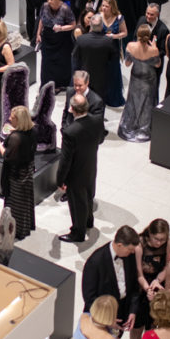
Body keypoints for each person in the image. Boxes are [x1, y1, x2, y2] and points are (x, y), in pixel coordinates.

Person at [57, 95, 101, 244]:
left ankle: (78, 232)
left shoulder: (70, 132)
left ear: (72, 110)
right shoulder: (96, 120)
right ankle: (89, 221)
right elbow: (100, 138)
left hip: (76, 173)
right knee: (88, 195)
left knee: (76, 203)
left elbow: (65, 160)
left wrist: (60, 179)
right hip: (90, 165)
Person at [129, 218, 170, 339]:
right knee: (137, 326)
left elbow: (167, 266)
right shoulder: (140, 245)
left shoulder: (169, 244)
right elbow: (138, 273)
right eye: (156, 239)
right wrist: (147, 288)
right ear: (149, 234)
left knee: (152, 325)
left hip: (157, 282)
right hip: (142, 284)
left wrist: (158, 281)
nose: (159, 242)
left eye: (162, 239)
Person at [0, 104, 36, 240]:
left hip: (16, 174)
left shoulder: (15, 138)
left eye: (12, 118)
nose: (10, 119)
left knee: (14, 203)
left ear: (19, 120)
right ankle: (25, 226)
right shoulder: (33, 130)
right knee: (25, 201)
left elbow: (7, 156)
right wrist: (14, 131)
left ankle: (14, 230)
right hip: (27, 171)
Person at [81, 225, 140, 322]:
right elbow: (89, 297)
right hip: (100, 316)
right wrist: (107, 320)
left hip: (122, 313)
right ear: (120, 245)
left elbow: (134, 285)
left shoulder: (129, 256)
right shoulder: (95, 262)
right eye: (130, 249)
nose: (133, 252)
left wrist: (132, 311)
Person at [117, 25, 160, 142]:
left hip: (136, 76)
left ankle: (131, 125)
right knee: (146, 102)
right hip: (149, 78)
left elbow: (127, 64)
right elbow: (157, 65)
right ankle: (144, 127)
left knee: (133, 100)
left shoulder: (130, 46)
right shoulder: (153, 50)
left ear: (138, 35)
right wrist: (154, 47)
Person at [71, 13, 116, 108]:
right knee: (99, 101)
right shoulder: (108, 41)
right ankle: (98, 120)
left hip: (84, 76)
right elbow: (113, 59)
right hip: (102, 77)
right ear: (102, 26)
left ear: (91, 25)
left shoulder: (81, 39)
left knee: (83, 101)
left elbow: (75, 57)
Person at [36, 0, 76, 89]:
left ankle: (60, 85)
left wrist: (61, 28)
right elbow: (41, 19)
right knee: (46, 63)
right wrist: (38, 34)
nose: (49, 1)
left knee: (61, 63)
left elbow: (73, 24)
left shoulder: (65, 9)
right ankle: (46, 85)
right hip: (48, 38)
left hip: (62, 40)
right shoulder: (44, 6)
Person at [99, 0, 127, 107]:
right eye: (103, 5)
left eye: (107, 6)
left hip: (114, 50)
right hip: (101, 50)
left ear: (112, 7)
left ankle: (114, 98)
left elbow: (125, 33)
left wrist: (114, 36)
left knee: (114, 74)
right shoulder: (98, 17)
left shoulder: (119, 18)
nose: (104, 8)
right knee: (102, 74)